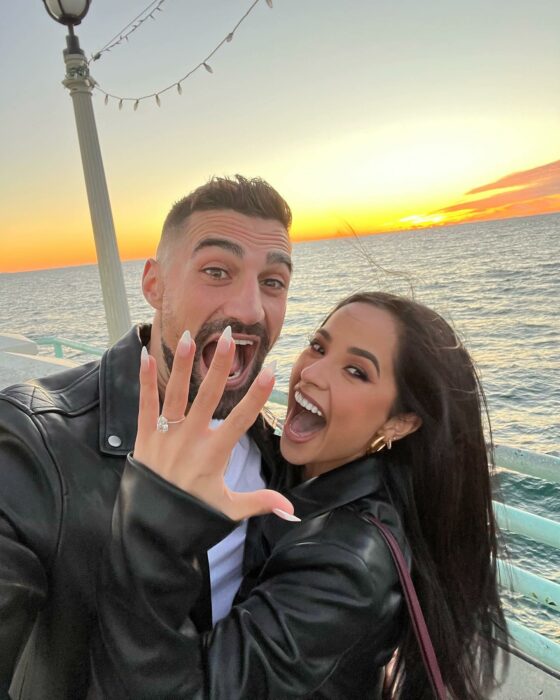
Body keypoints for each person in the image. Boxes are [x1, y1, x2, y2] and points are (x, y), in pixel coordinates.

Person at [88, 292, 508, 699]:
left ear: (399, 422)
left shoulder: (350, 565)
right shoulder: (293, 467)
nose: (313, 372)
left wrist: (152, 524)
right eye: (318, 347)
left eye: (356, 371)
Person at [0, 175, 294, 699]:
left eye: (273, 282)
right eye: (216, 271)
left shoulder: (272, 447)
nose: (251, 308)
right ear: (154, 285)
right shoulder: (31, 441)